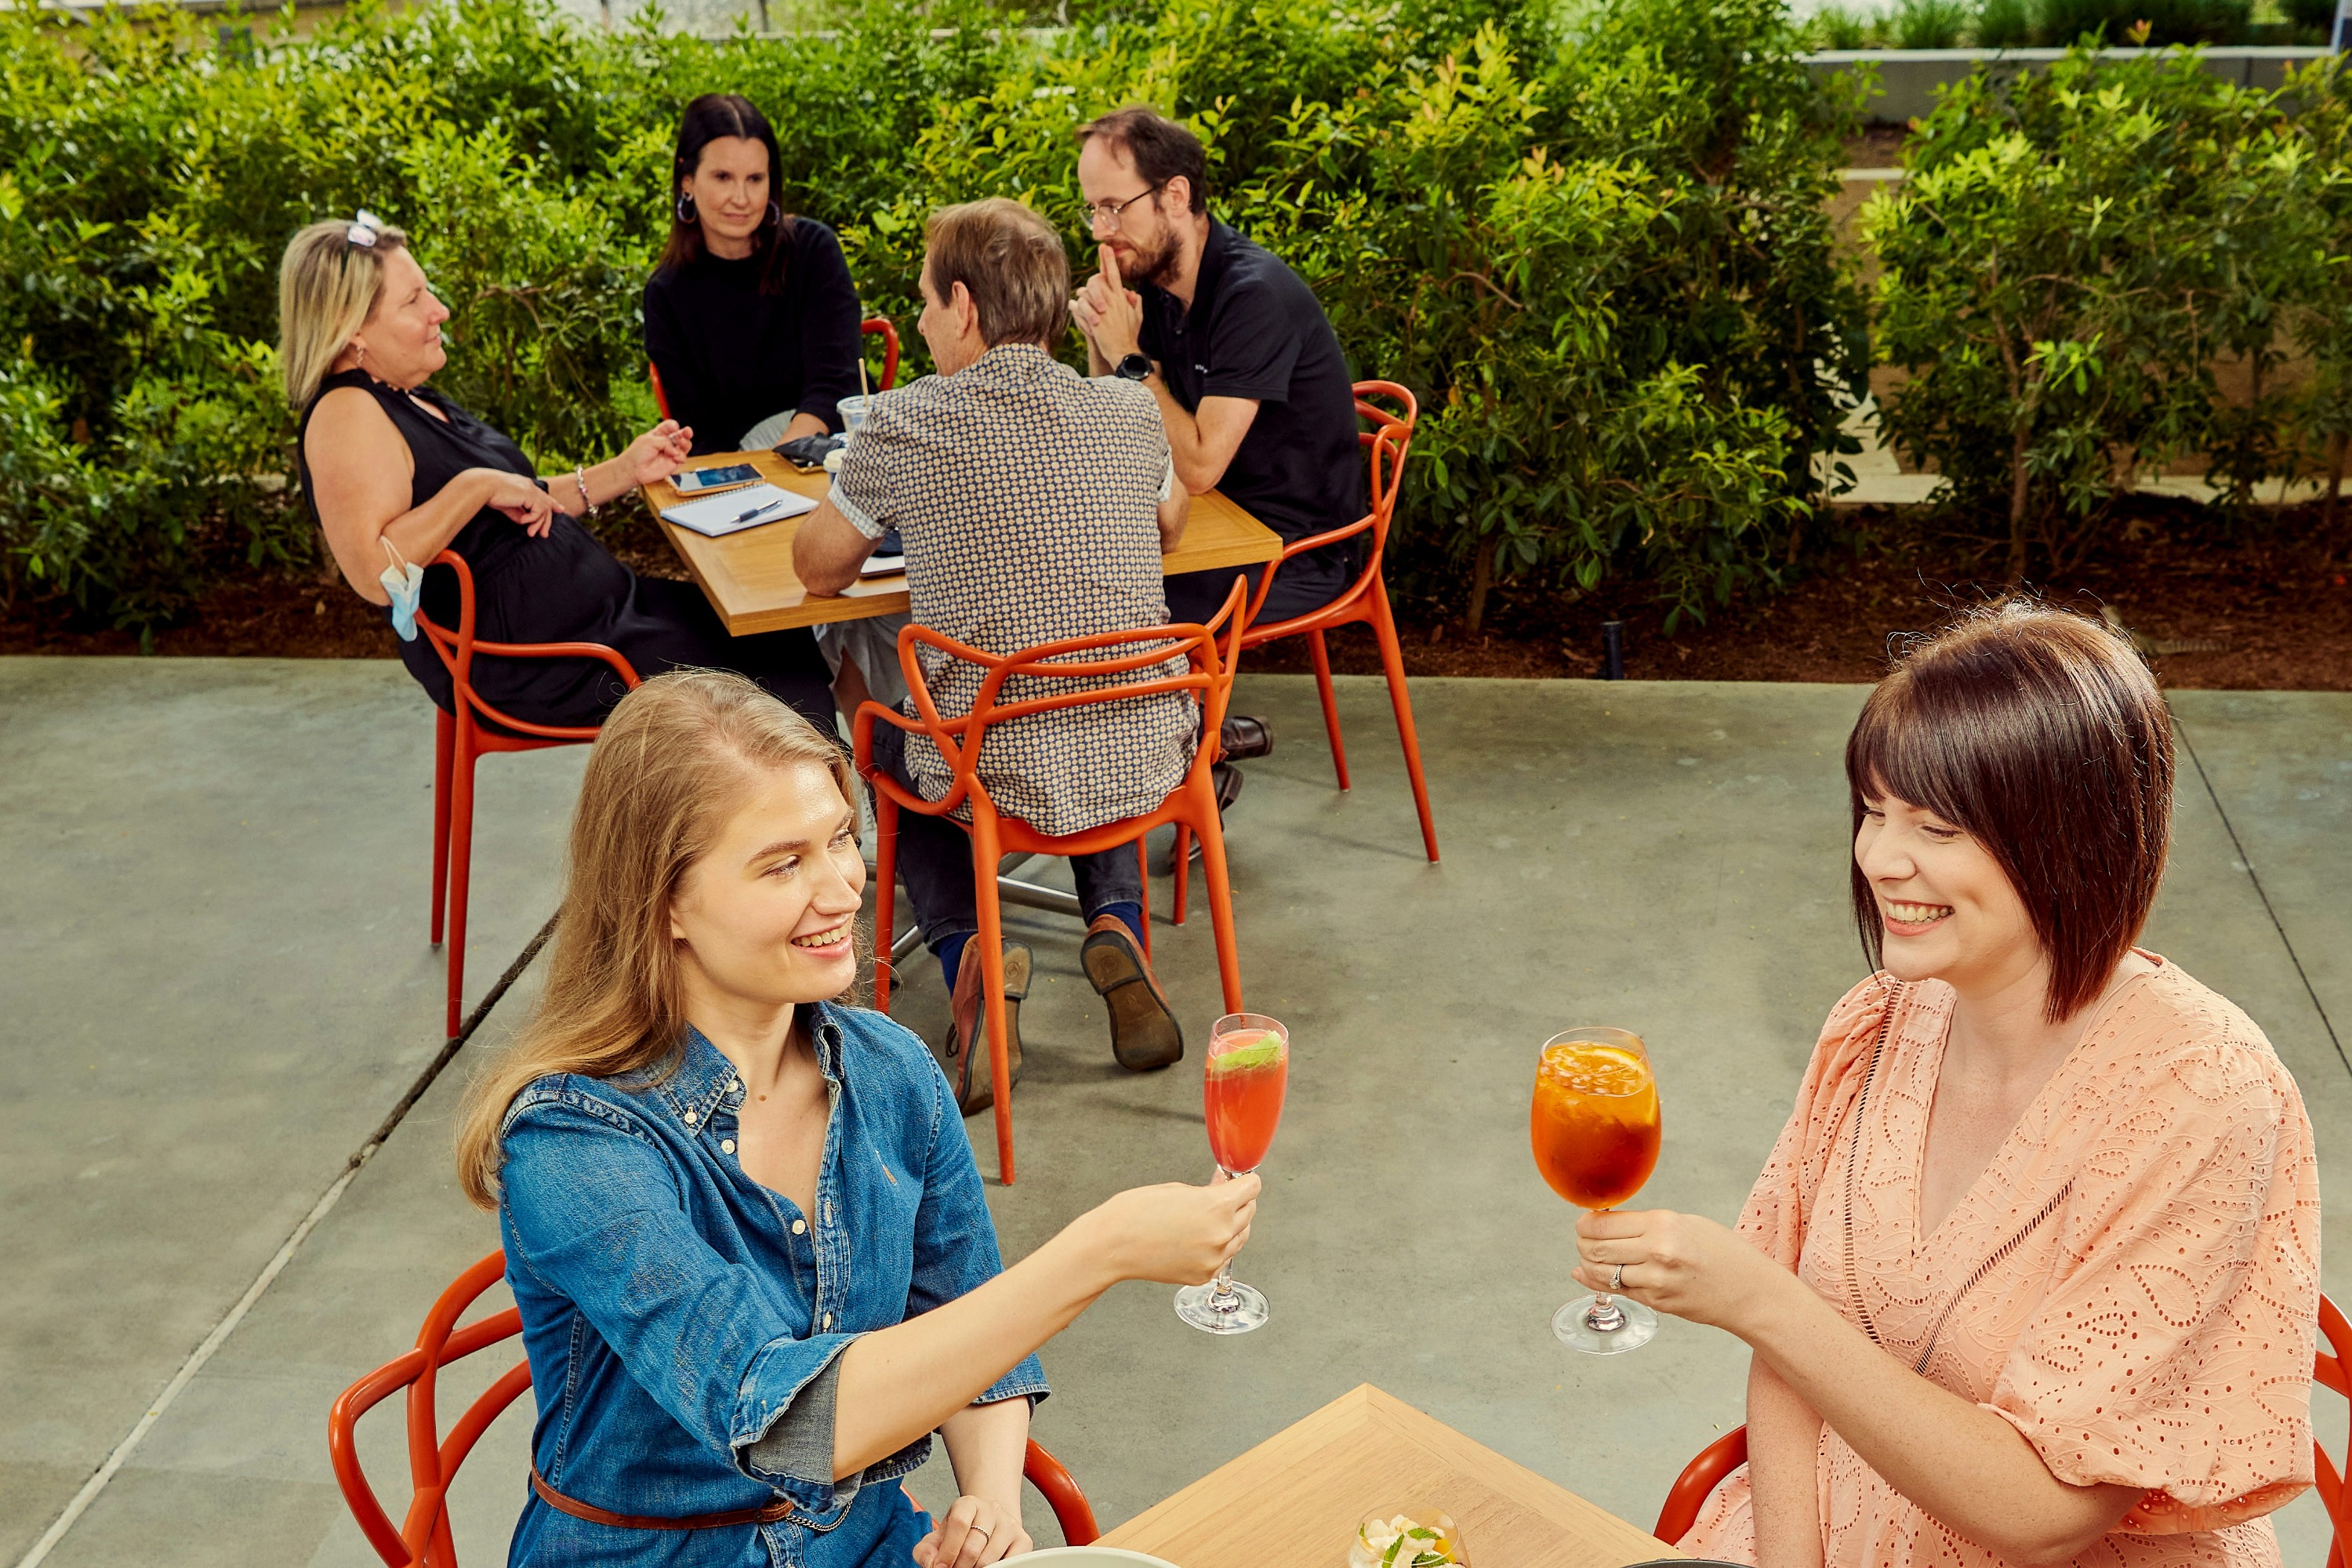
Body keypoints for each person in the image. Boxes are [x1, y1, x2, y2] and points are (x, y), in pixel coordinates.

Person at [451, 669, 1258, 1568]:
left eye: (841, 838)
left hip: (867, 1541)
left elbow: (964, 1313)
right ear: (664, 901)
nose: (842, 888)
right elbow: (788, 1420)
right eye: (782, 862)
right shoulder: (573, 1140)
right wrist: (1098, 1250)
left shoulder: (894, 1068)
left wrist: (989, 1497)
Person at [1573, 604, 2320, 1568]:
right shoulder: (1879, 1019)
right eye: (1874, 809)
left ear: (2074, 839)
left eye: (1937, 825)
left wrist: (1762, 1299)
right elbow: (1792, 1367)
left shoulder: (2203, 1095)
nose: (1880, 857)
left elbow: (2049, 1513)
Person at [793, 198, 1200, 1112]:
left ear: (967, 307)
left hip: (989, 768)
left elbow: (818, 570)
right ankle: (1116, 925)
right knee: (1081, 675)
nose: (927, 321)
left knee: (883, 719)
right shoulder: (1129, 409)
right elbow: (1171, 523)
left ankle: (968, 954)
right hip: (1149, 752)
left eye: (929, 304)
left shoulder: (902, 421)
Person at [281, 212, 833, 731]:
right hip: (545, 663)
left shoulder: (406, 396)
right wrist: (474, 486)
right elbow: (377, 575)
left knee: (785, 639)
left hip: (607, 618)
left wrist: (626, 469)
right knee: (782, 681)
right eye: (414, 300)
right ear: (350, 329)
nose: (439, 310)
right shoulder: (345, 414)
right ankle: (791, 832)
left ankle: (806, 831)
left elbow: (524, 501)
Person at [1069, 105, 1368, 775]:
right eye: (1091, 211)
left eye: (1115, 208)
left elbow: (1198, 464)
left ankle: (1179, 772)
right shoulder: (1166, 291)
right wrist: (1103, 341)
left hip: (1298, 547)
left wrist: (1130, 358)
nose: (1100, 231)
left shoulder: (1251, 294)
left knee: (1121, 609)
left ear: (1175, 196)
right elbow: (1120, 431)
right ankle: (1189, 746)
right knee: (1079, 579)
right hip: (1218, 523)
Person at [643, 94, 866, 455]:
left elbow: (836, 382)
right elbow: (698, 430)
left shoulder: (813, 250)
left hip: (835, 454)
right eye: (723, 177)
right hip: (740, 475)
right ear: (687, 180)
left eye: (756, 178)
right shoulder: (667, 294)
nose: (742, 198)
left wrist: (784, 464)